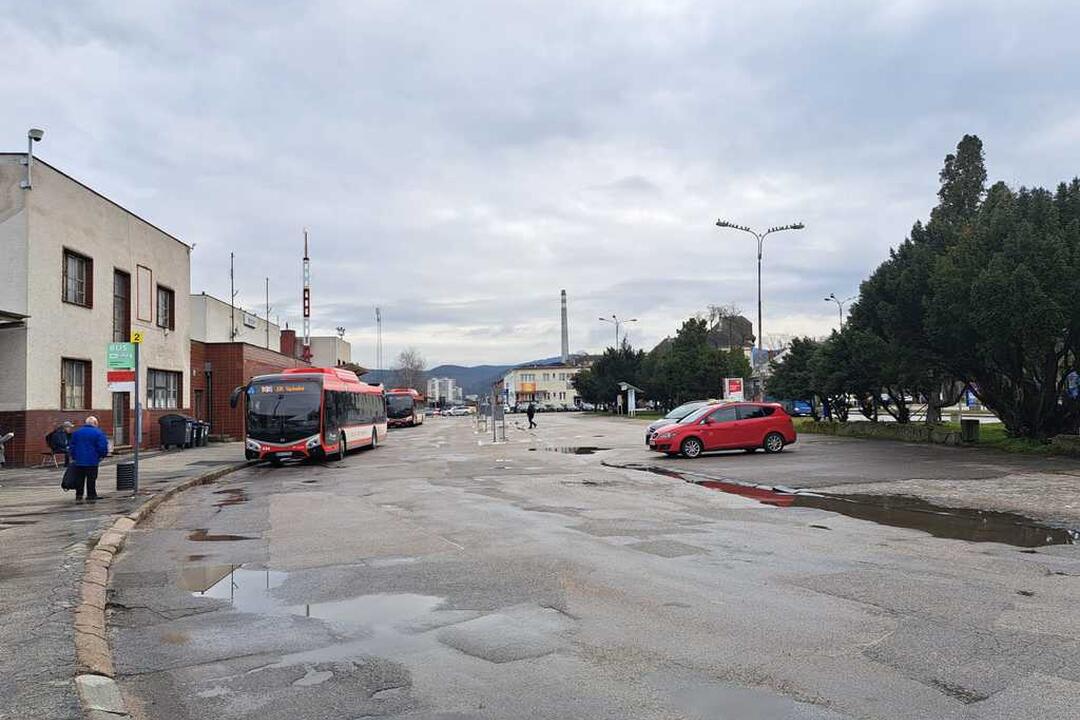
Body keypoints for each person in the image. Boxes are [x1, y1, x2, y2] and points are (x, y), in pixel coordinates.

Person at [68, 416, 109, 503]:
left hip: (79, 460)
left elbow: (72, 446)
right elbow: (102, 446)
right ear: (95, 424)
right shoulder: (98, 433)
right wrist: (102, 455)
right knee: (91, 478)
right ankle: (91, 495)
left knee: (79, 478)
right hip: (92, 460)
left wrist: (74, 456)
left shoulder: (77, 432)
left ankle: (79, 495)